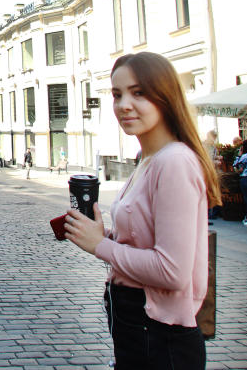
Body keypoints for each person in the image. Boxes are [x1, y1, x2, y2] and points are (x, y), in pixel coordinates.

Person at [65, 52, 221, 369]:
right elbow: (146, 242)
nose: (124, 104)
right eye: (117, 94)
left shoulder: (173, 161)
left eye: (138, 93)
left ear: (164, 96)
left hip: (159, 336)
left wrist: (102, 246)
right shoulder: (148, 159)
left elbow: (171, 271)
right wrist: (101, 235)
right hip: (140, 327)